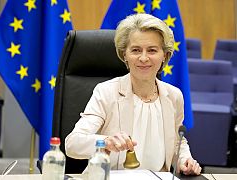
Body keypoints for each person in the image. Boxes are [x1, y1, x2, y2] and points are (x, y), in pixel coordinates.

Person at [65, 13, 201, 175]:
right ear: (125, 55)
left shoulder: (174, 96)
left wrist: (184, 160)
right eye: (136, 50)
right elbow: (72, 144)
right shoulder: (106, 92)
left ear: (164, 56)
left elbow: (178, 142)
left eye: (152, 50)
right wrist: (106, 142)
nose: (143, 58)